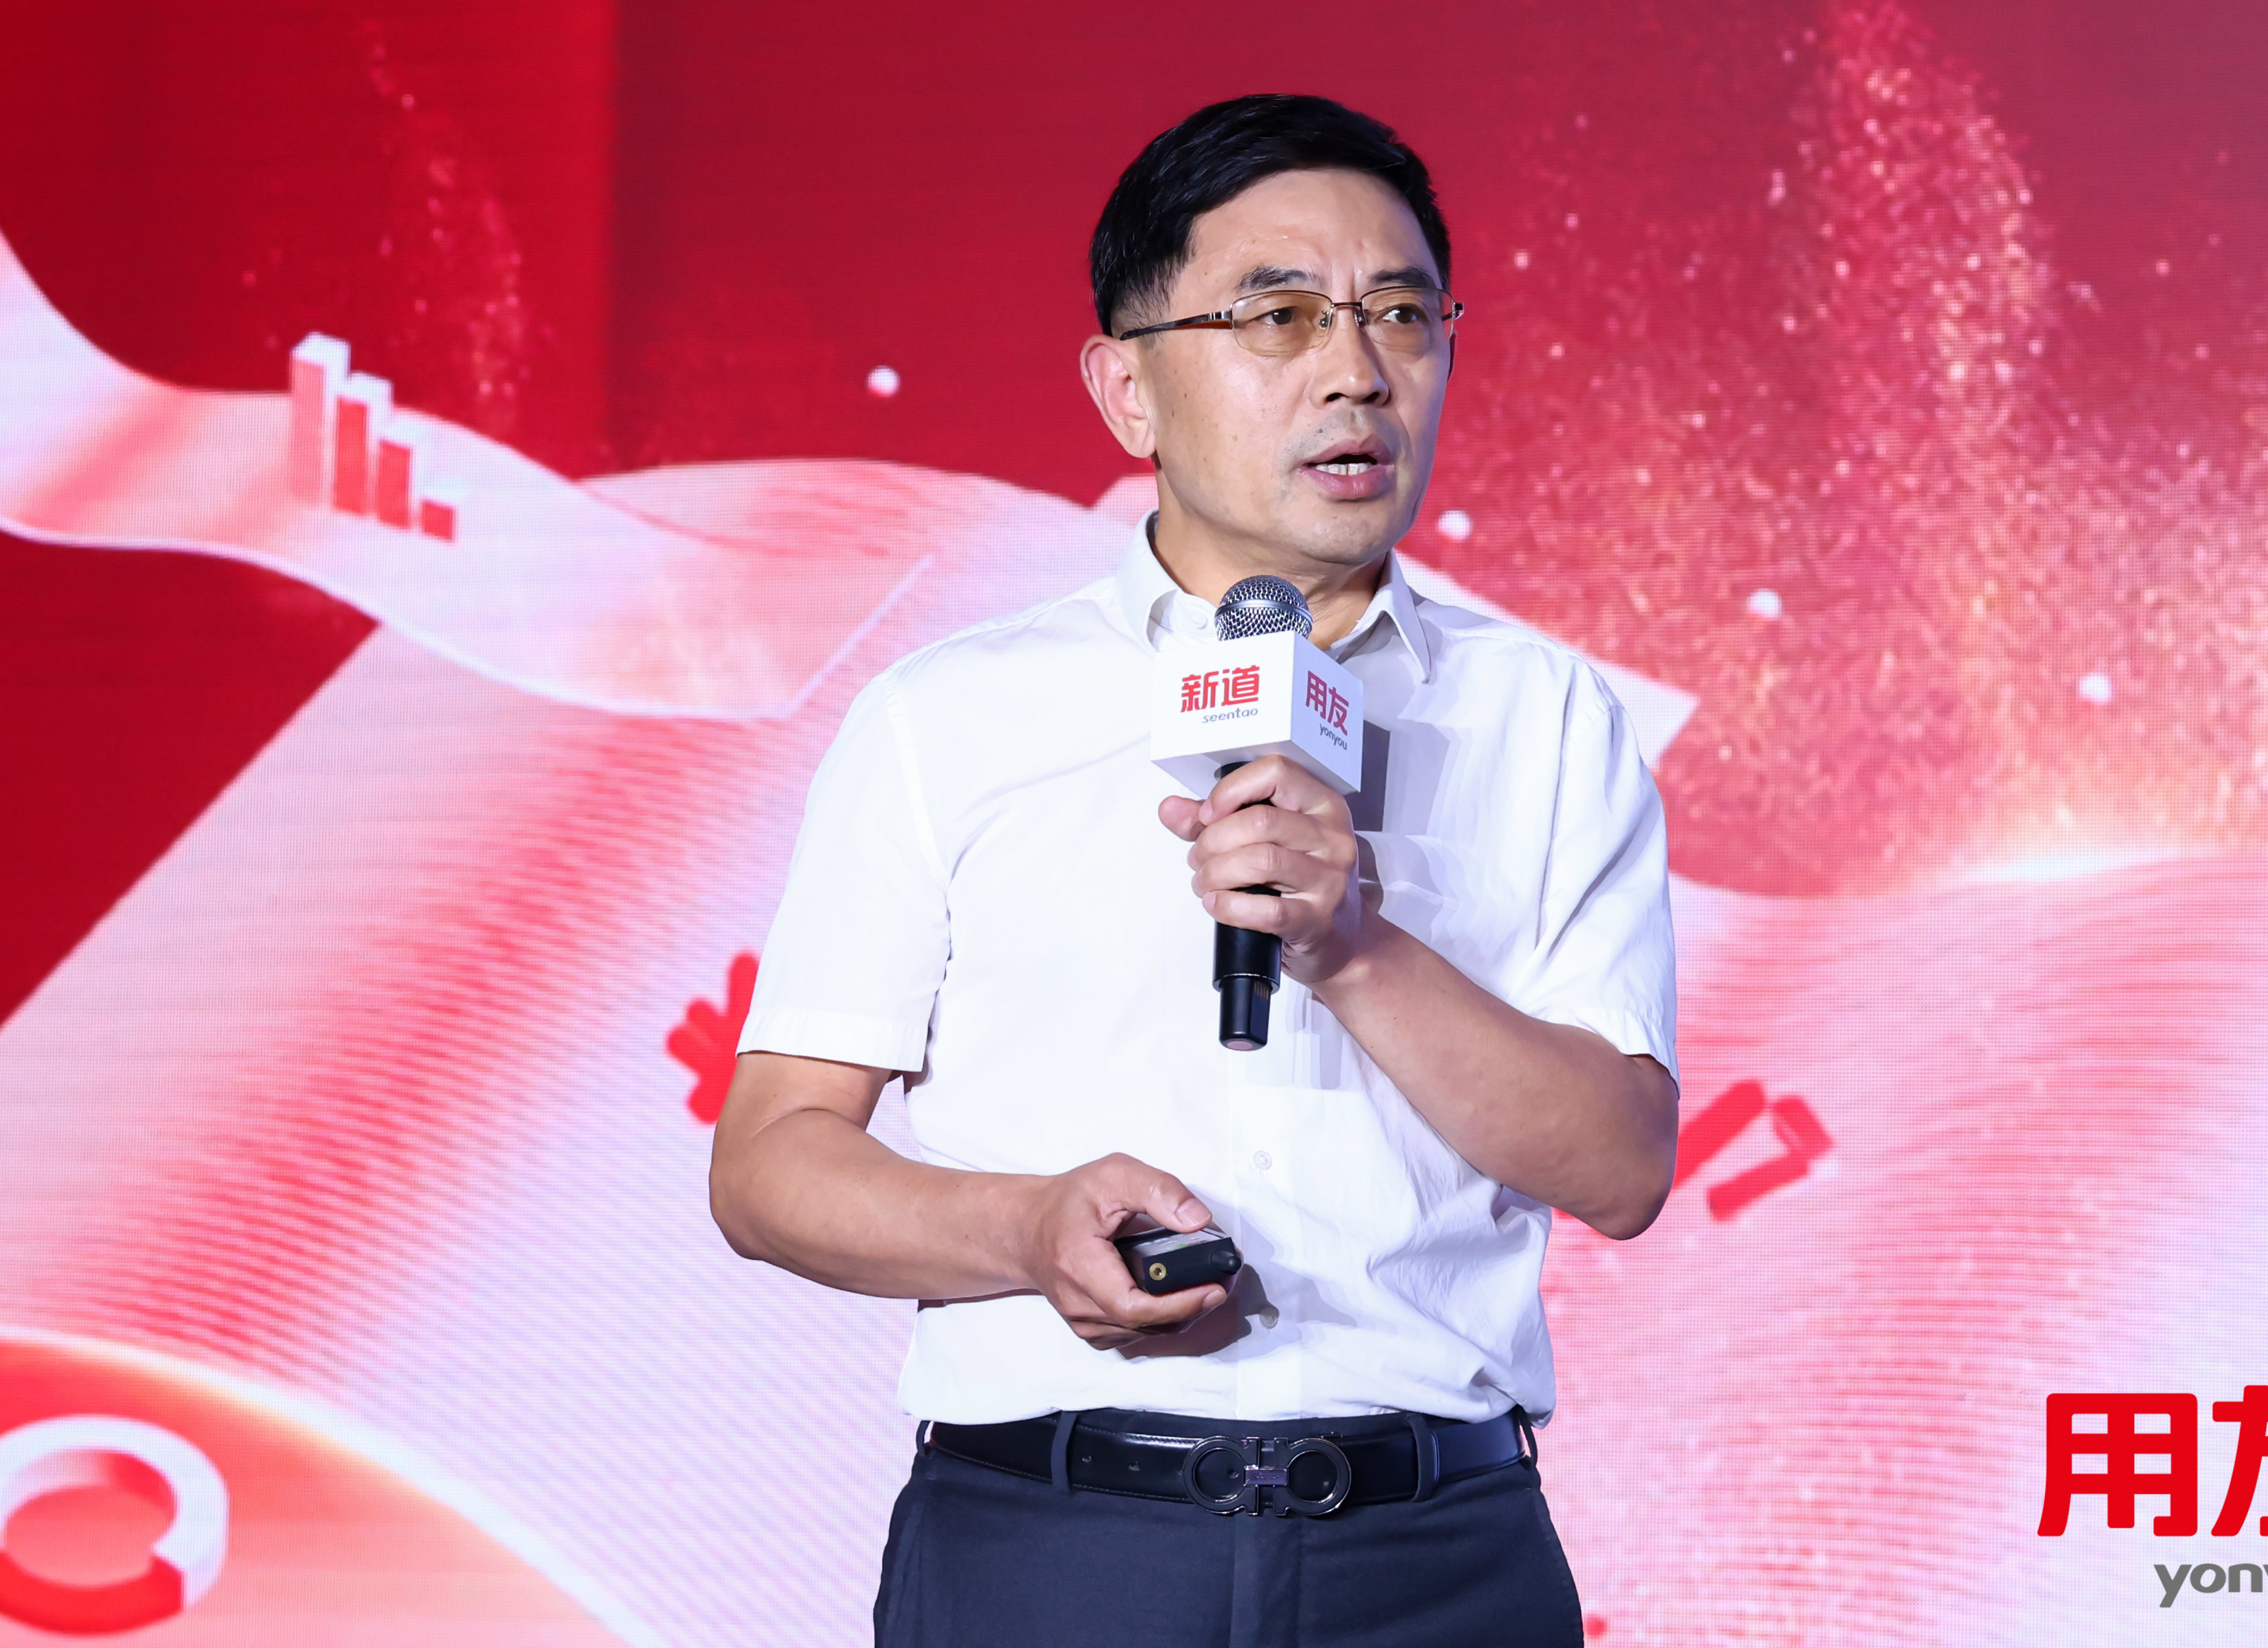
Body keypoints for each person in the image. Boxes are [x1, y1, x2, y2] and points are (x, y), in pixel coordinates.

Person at [710, 94, 1680, 1648]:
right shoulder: (947, 718)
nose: (1357, 371)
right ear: (1128, 389)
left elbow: (1622, 1162)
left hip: (1437, 1559)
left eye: (1402, 315)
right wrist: (1026, 1228)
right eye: (1279, 317)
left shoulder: (1546, 716)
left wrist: (1354, 947)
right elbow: (768, 1164)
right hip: (1054, 1549)